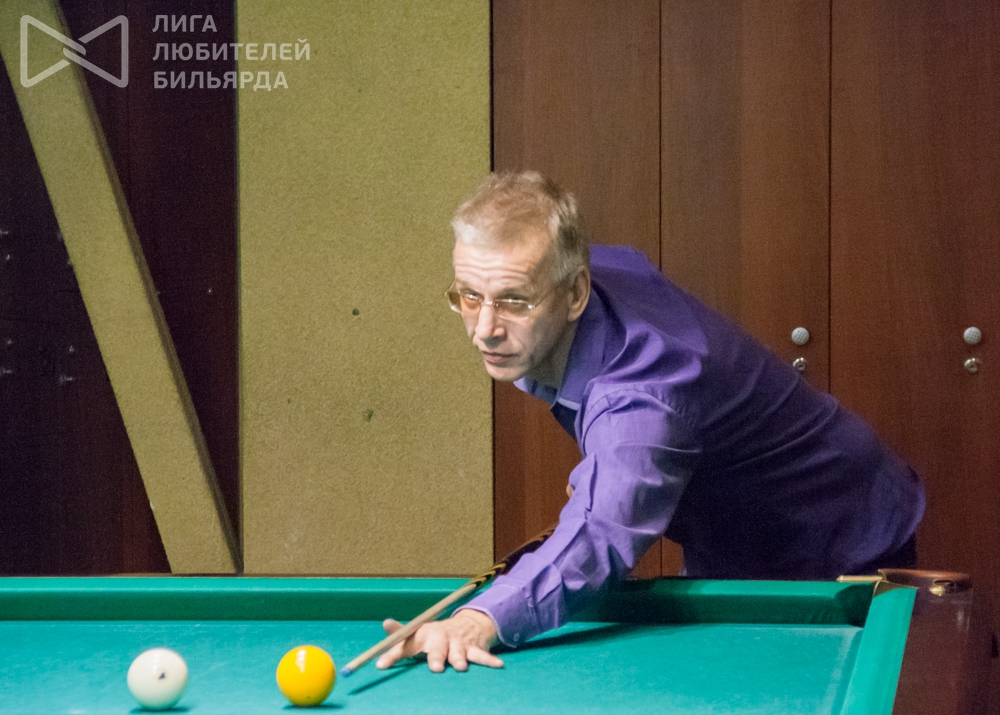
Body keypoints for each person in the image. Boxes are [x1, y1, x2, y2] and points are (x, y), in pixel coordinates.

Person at [375, 171, 925, 674]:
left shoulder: (642, 397)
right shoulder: (570, 275)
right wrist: (613, 472)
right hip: (732, 536)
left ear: (576, 292)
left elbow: (600, 534)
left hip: (831, 540)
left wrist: (481, 619)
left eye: (514, 302)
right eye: (470, 297)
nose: (484, 329)